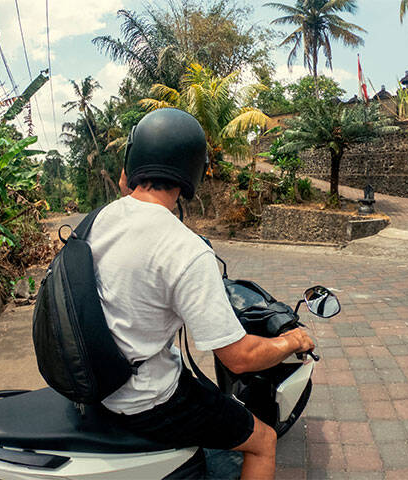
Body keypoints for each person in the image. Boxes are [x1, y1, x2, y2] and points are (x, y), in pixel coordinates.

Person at [87, 108, 314, 480]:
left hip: (102, 381)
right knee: (263, 441)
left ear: (134, 161)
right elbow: (239, 358)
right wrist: (291, 341)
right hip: (147, 400)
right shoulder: (184, 248)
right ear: (190, 171)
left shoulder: (98, 220)